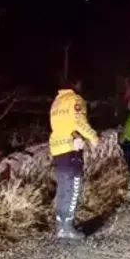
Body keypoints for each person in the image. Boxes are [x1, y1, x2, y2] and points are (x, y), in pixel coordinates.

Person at [49, 79, 99, 240]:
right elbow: (79, 121)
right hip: (71, 149)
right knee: (73, 188)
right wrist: (93, 136)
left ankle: (60, 226)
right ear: (75, 87)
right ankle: (68, 228)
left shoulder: (56, 103)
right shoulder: (75, 100)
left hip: (57, 148)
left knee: (63, 189)